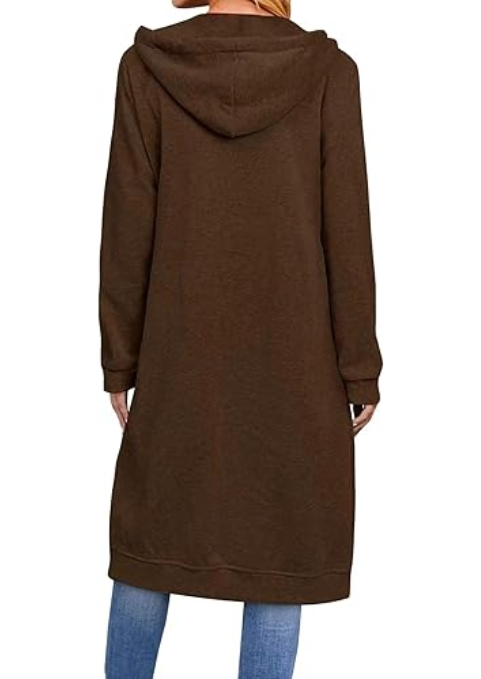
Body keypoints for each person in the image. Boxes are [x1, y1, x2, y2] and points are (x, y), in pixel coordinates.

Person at [99, 0, 383, 676]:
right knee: (281, 547)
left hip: (177, 357)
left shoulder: (147, 68)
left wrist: (120, 361)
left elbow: (127, 224)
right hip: (299, 360)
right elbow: (346, 230)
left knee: (148, 538)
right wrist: (359, 367)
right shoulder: (327, 71)